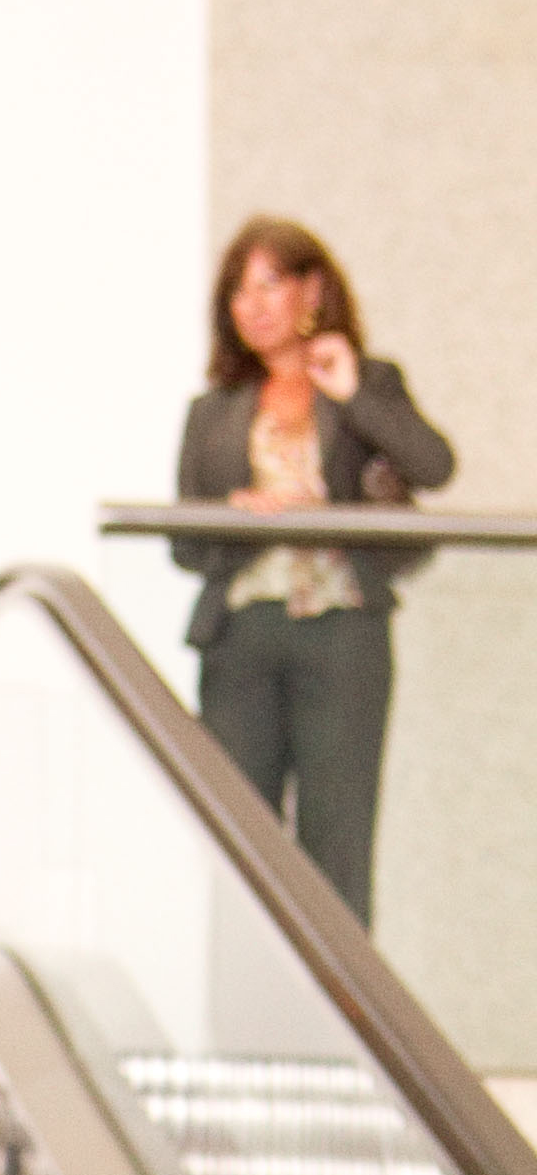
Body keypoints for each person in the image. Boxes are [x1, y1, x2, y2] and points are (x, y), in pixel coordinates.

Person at [177, 216, 455, 927]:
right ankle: (244, 1029)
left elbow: (434, 467)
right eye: (239, 292)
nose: (254, 305)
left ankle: (342, 1033)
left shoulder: (365, 383)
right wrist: (242, 516)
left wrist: (352, 390)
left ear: (312, 288)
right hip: (241, 635)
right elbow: (184, 544)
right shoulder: (213, 413)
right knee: (243, 846)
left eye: (270, 283)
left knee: (338, 842)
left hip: (342, 631)